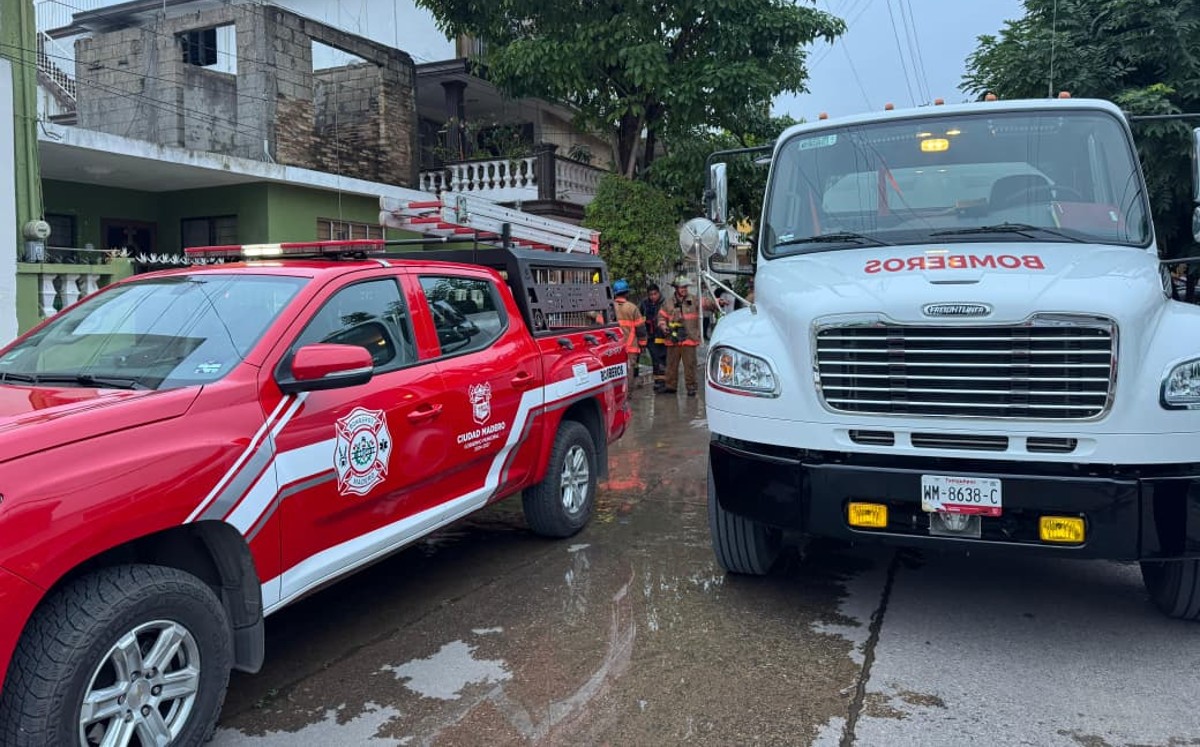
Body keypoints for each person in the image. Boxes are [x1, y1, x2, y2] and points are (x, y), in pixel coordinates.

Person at [658, 275, 710, 397]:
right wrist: (663, 326)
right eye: (682, 287)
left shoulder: (694, 299)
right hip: (673, 338)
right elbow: (661, 317)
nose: (684, 289)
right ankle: (671, 386)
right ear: (676, 288)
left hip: (689, 339)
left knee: (690, 365)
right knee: (671, 365)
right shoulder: (668, 303)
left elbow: (706, 303)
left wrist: (717, 302)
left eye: (686, 287)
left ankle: (691, 388)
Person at [612, 279, 647, 388]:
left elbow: (600, 322)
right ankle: (628, 395)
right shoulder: (633, 308)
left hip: (614, 347)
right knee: (629, 371)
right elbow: (641, 329)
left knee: (615, 372)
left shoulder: (609, 308)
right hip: (631, 346)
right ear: (626, 293)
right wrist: (643, 344)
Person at [639, 283, 668, 392]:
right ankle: (658, 382)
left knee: (663, 359)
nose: (653, 296)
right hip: (650, 336)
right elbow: (639, 317)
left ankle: (664, 382)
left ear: (658, 293)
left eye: (655, 294)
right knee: (655, 360)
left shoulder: (664, 303)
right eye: (650, 294)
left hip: (662, 334)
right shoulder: (644, 304)